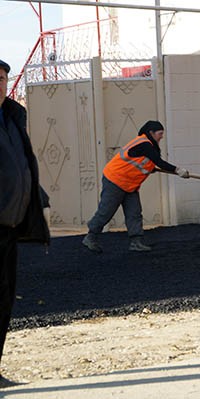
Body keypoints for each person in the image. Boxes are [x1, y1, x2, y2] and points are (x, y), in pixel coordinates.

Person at [0, 59, 50, 388]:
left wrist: (36, 196)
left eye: (2, 77)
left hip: (7, 227)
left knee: (4, 299)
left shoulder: (12, 118)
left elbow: (21, 165)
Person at [82, 120, 190, 253]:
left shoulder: (148, 145)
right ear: (151, 133)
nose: (162, 136)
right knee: (106, 211)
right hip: (115, 180)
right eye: (160, 133)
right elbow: (159, 162)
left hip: (129, 184)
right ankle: (91, 236)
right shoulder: (145, 144)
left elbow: (143, 162)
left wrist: (151, 169)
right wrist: (178, 170)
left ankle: (136, 242)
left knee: (134, 212)